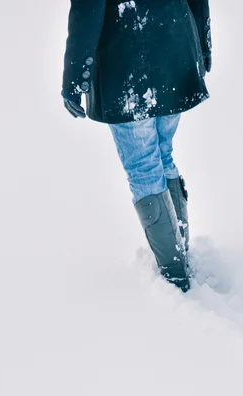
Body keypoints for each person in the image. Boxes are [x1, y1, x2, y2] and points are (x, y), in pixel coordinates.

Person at [62, 0, 212, 292]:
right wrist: (202, 48)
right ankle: (179, 255)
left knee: (144, 165)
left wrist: (73, 78)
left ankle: (175, 275)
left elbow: (87, 9)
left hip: (126, 63)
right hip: (175, 49)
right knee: (162, 154)